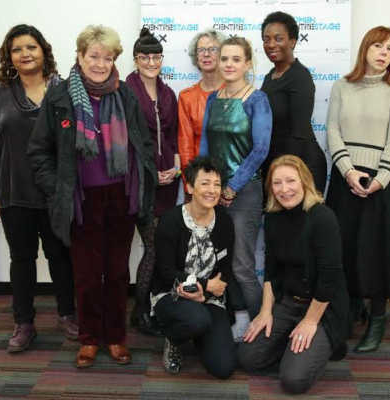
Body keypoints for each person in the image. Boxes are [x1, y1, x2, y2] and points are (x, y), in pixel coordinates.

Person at [28, 25, 157, 368]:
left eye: (108, 57)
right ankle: (88, 339)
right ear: (80, 56)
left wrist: (144, 179)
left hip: (121, 197)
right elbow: (39, 151)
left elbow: (144, 143)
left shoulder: (125, 95)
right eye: (94, 56)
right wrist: (58, 188)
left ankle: (114, 337)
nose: (101, 64)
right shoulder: (59, 98)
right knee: (85, 274)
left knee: (116, 273)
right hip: (80, 201)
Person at [0, 24, 77, 353]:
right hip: (15, 194)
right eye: (17, 49)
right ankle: (24, 323)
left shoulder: (65, 91)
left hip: (57, 194)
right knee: (22, 259)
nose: (25, 54)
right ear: (9, 56)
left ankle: (69, 315)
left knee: (61, 257)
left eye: (31, 47)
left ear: (43, 50)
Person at [325, 26, 390, 352]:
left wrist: (382, 177)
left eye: (389, 49)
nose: (383, 53)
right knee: (342, 247)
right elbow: (332, 129)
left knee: (377, 252)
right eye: (378, 46)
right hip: (346, 176)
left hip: (378, 181)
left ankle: (377, 317)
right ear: (365, 49)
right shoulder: (342, 85)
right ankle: (346, 312)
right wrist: (347, 170)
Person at [238, 155, 350, 394]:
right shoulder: (273, 218)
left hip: (322, 309)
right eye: (277, 183)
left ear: (304, 182)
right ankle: (294, 343)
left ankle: (325, 342)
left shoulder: (322, 217)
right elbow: (271, 269)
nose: (284, 189)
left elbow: (329, 278)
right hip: (288, 303)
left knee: (293, 380)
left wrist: (310, 322)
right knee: (247, 358)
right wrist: (265, 312)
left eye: (290, 181)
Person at [199, 36, 272, 325]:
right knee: (218, 264)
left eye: (235, 59)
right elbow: (206, 144)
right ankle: (229, 324)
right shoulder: (213, 99)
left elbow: (260, 150)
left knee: (242, 266)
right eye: (224, 58)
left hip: (245, 193)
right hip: (213, 195)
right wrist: (206, 185)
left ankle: (260, 327)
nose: (228, 64)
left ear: (247, 64)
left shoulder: (257, 100)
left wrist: (232, 187)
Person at [151, 156, 236, 378]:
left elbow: (225, 271)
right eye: (205, 183)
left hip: (209, 297)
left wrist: (204, 296)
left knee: (224, 368)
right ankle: (174, 338)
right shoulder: (171, 220)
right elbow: (166, 272)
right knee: (197, 320)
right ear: (189, 186)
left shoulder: (225, 223)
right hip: (172, 292)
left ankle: (199, 332)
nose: (212, 190)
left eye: (217, 184)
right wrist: (205, 285)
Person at [125, 28, 179, 336]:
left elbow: (171, 136)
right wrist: (149, 172)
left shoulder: (168, 92)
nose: (151, 61)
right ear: (135, 59)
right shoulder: (124, 91)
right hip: (140, 181)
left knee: (163, 246)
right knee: (153, 247)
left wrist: (175, 166)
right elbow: (125, 141)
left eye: (156, 56)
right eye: (145, 57)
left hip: (168, 182)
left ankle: (155, 307)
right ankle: (140, 311)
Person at [260, 11, 327, 193]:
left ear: (293, 41)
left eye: (279, 38)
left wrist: (284, 172)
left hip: (300, 166)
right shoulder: (268, 78)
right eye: (266, 39)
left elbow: (299, 132)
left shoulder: (299, 76)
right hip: (278, 166)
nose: (271, 44)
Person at [178, 29, 226, 192]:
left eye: (213, 49)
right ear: (196, 57)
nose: (206, 54)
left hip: (233, 180)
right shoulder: (187, 97)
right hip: (200, 183)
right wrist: (190, 184)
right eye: (201, 50)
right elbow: (186, 148)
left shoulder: (239, 94)